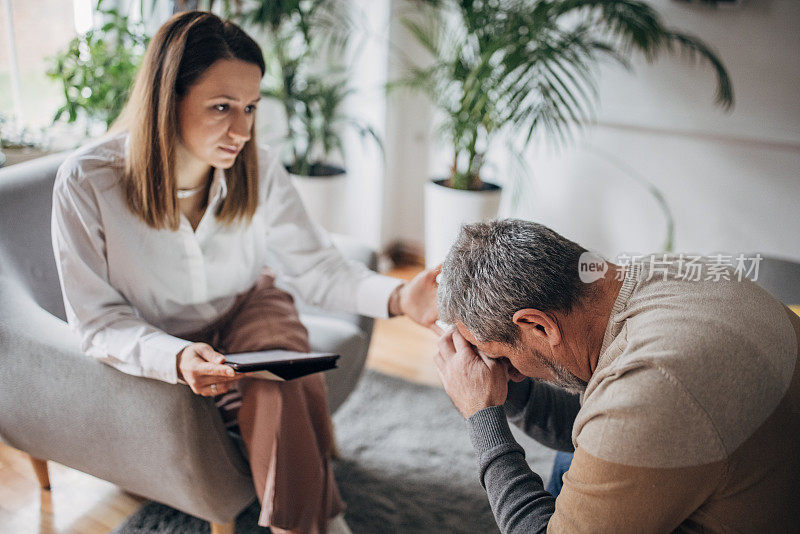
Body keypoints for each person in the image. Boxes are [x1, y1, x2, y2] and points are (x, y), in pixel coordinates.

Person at [51, 11, 437, 534]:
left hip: (246, 305)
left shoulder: (258, 166)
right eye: (222, 107)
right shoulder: (88, 181)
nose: (243, 129)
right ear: (168, 100)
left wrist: (400, 299)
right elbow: (96, 320)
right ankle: (330, 517)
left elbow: (316, 267)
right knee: (289, 385)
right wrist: (177, 356)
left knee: (282, 379)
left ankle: (296, 527)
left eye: (251, 107)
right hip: (158, 332)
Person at [432, 219, 800, 532]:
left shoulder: (649, 388)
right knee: (571, 458)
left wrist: (482, 415)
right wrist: (501, 388)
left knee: (567, 471)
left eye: (501, 357)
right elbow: (604, 427)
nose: (509, 374)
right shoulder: (668, 273)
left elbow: (626, 419)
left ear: (537, 325)